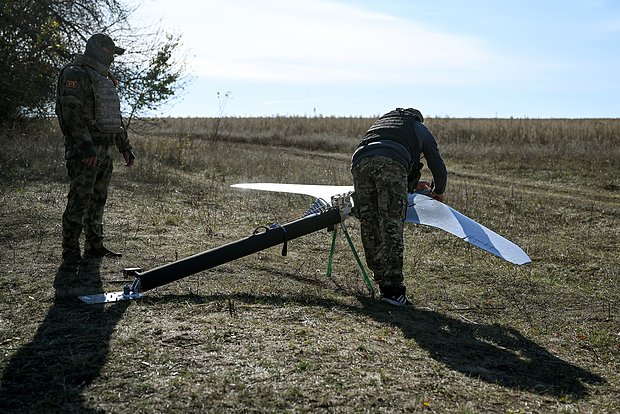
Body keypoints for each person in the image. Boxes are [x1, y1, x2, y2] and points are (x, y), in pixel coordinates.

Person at [350, 108, 447, 306]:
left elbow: (380, 153)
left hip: (359, 162)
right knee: (390, 223)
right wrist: (438, 190)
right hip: (392, 163)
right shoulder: (418, 127)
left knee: (369, 222)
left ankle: (381, 280)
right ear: (418, 118)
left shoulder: (382, 124)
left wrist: (408, 184)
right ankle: (393, 291)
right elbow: (436, 163)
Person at [56, 33, 135, 271]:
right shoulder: (75, 73)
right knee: (79, 200)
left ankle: (94, 245)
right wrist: (85, 147)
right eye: (110, 51)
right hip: (85, 150)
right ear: (97, 49)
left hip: (105, 148)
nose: (112, 56)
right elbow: (70, 113)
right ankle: (70, 253)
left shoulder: (104, 78)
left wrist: (125, 147)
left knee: (98, 199)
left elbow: (113, 116)